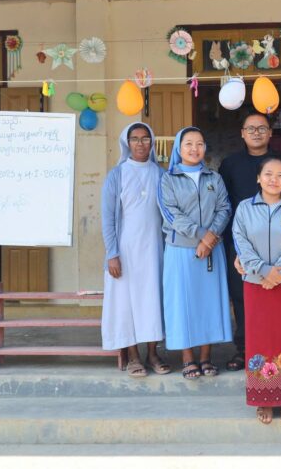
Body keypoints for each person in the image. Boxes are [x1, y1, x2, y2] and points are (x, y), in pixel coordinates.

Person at [232, 156, 281, 425]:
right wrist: (263, 271)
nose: (274, 179)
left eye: (280, 175)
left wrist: (278, 273)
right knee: (260, 339)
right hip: (256, 285)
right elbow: (240, 242)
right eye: (268, 174)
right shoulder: (245, 208)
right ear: (258, 178)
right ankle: (263, 398)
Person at [159, 127, 233, 380]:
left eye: (199, 143)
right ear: (179, 148)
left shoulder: (214, 178)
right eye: (188, 143)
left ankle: (205, 357)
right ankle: (188, 358)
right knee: (183, 303)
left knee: (208, 302)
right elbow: (170, 214)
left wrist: (210, 238)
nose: (194, 148)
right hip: (180, 250)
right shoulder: (168, 179)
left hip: (212, 249)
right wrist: (201, 234)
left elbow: (224, 208)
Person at [100, 122, 170, 378]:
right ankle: (133, 356)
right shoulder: (117, 175)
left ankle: (153, 353)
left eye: (145, 138)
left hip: (154, 249)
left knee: (152, 299)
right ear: (127, 143)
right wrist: (112, 254)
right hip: (125, 251)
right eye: (135, 139)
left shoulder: (160, 174)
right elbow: (108, 218)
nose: (140, 143)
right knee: (126, 303)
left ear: (152, 142)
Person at [218, 111, 276, 372]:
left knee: (273, 295)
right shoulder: (229, 165)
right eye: (250, 128)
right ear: (242, 133)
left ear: (270, 133)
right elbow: (223, 204)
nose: (256, 133)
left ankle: (274, 347)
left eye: (262, 128)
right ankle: (244, 349)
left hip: (276, 243)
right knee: (242, 297)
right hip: (239, 242)